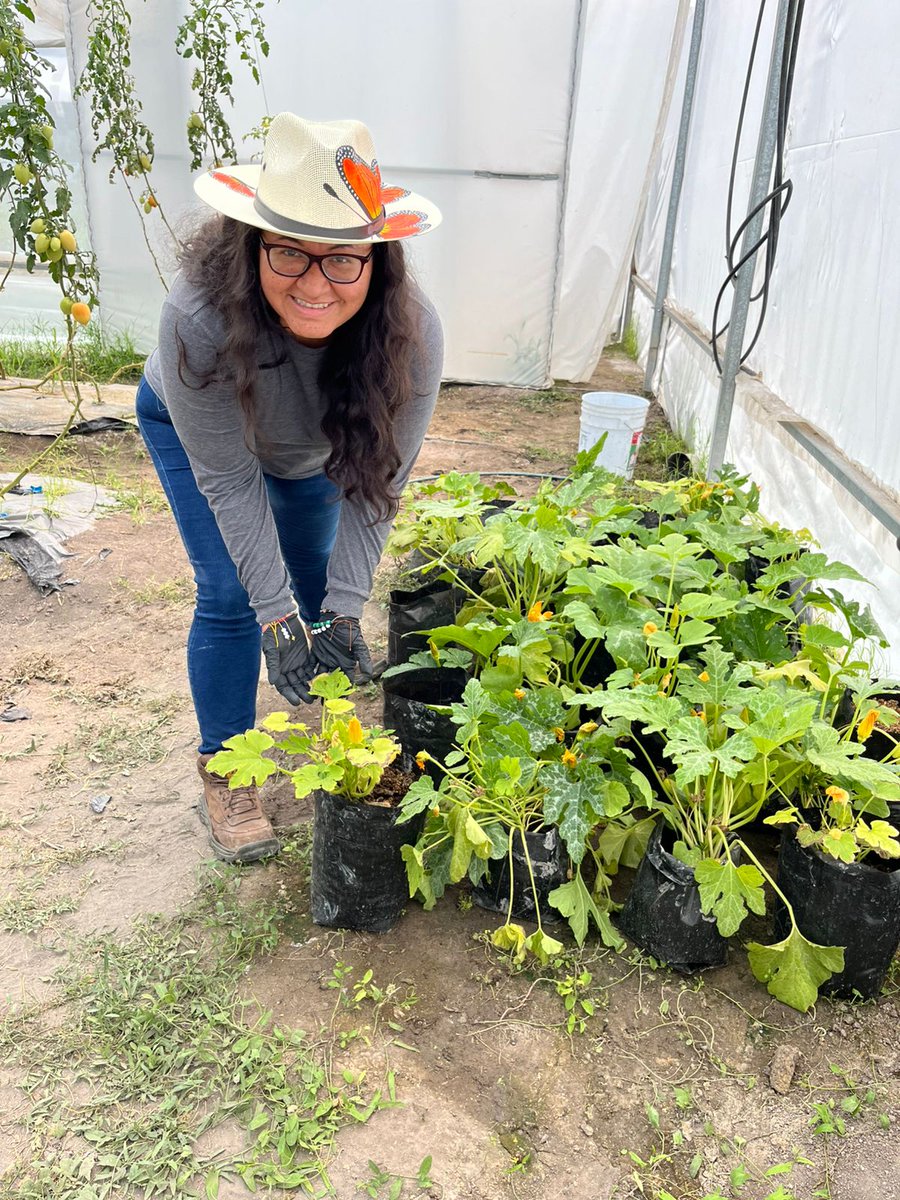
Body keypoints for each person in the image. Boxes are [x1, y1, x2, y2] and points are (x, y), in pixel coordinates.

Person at [136, 113, 443, 864]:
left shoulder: (413, 335)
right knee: (234, 595)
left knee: (320, 597)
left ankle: (330, 734)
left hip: (310, 454)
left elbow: (376, 487)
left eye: (342, 260)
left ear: (376, 260)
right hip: (198, 436)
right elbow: (231, 484)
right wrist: (275, 618)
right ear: (252, 244)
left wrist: (342, 609)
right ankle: (225, 767)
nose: (314, 284)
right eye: (289, 254)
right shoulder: (198, 319)